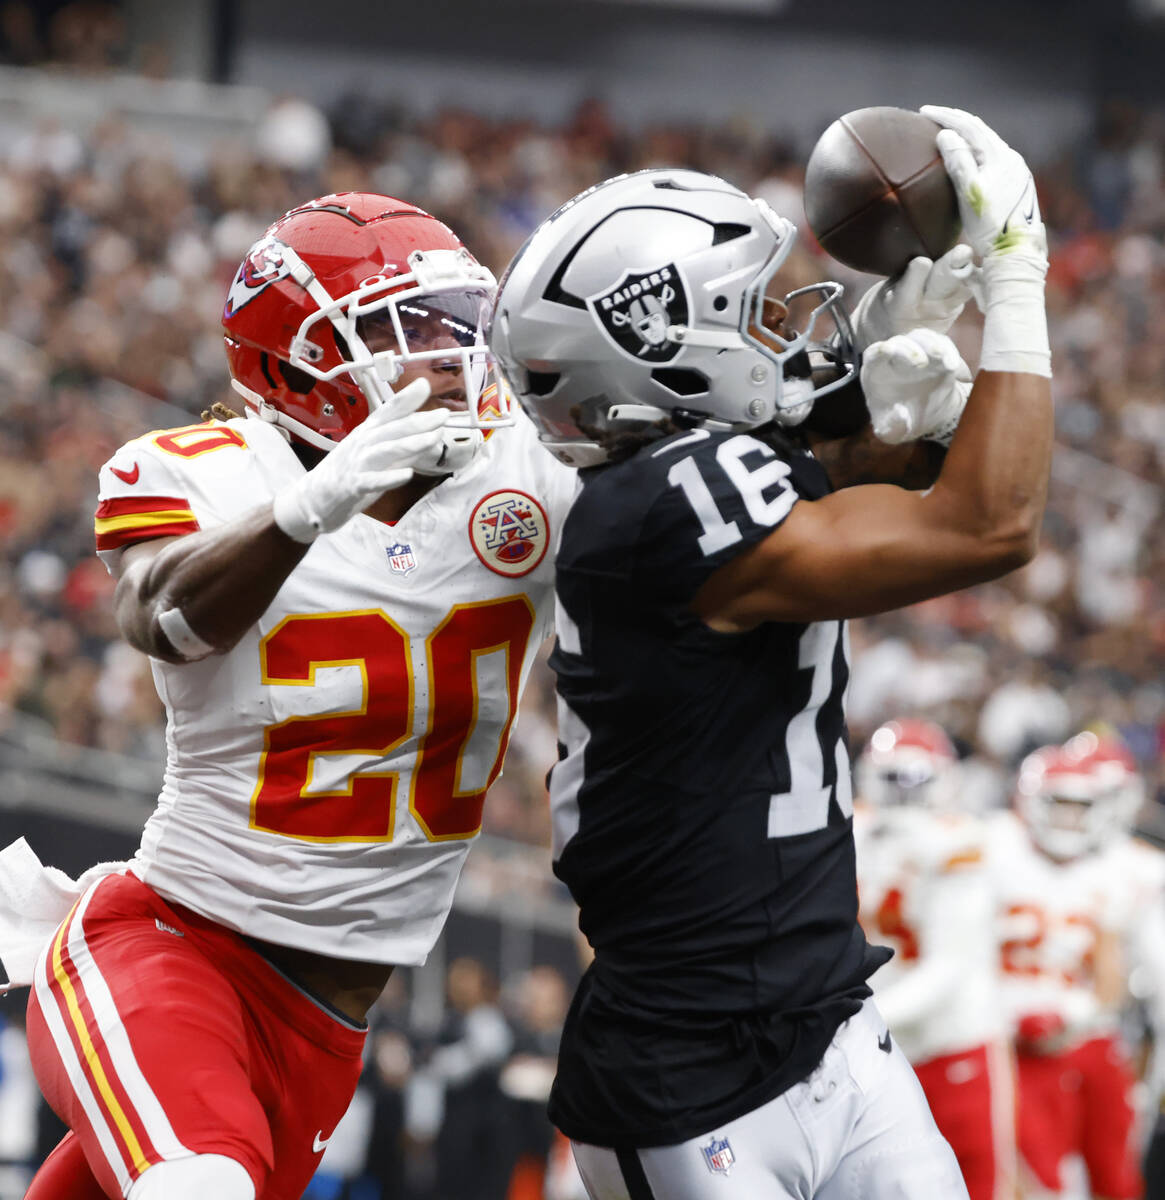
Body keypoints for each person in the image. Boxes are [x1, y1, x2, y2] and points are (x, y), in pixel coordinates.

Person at [489, 105, 1052, 1199]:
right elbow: (986, 524)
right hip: (691, 1073)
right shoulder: (658, 508)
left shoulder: (673, 485)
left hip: (830, 1020)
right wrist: (1014, 277)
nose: (784, 329)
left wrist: (884, 398)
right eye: (747, 315)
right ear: (661, 344)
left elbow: (844, 470)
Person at [10, 191, 579, 1200]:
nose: (448, 354)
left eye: (457, 322)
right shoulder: (206, 475)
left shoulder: (526, 475)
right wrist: (302, 514)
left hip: (324, 1029)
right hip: (173, 953)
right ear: (293, 363)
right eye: (405, 330)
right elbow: (163, 617)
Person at [853, 719, 1015, 1200]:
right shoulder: (850, 829)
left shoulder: (959, 839)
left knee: (971, 1186)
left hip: (948, 1046)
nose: (905, 794)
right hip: (872, 1044)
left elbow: (948, 966)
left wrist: (861, 1016)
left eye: (916, 779)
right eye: (892, 779)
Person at [990, 733, 1148, 1199]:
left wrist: (1073, 1013)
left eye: (1080, 807)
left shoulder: (1114, 872)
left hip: (1077, 1037)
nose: (1068, 818)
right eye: (1059, 803)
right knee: (1026, 1176)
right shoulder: (996, 852)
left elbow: (1110, 980)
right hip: (1002, 1040)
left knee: (1113, 1174)